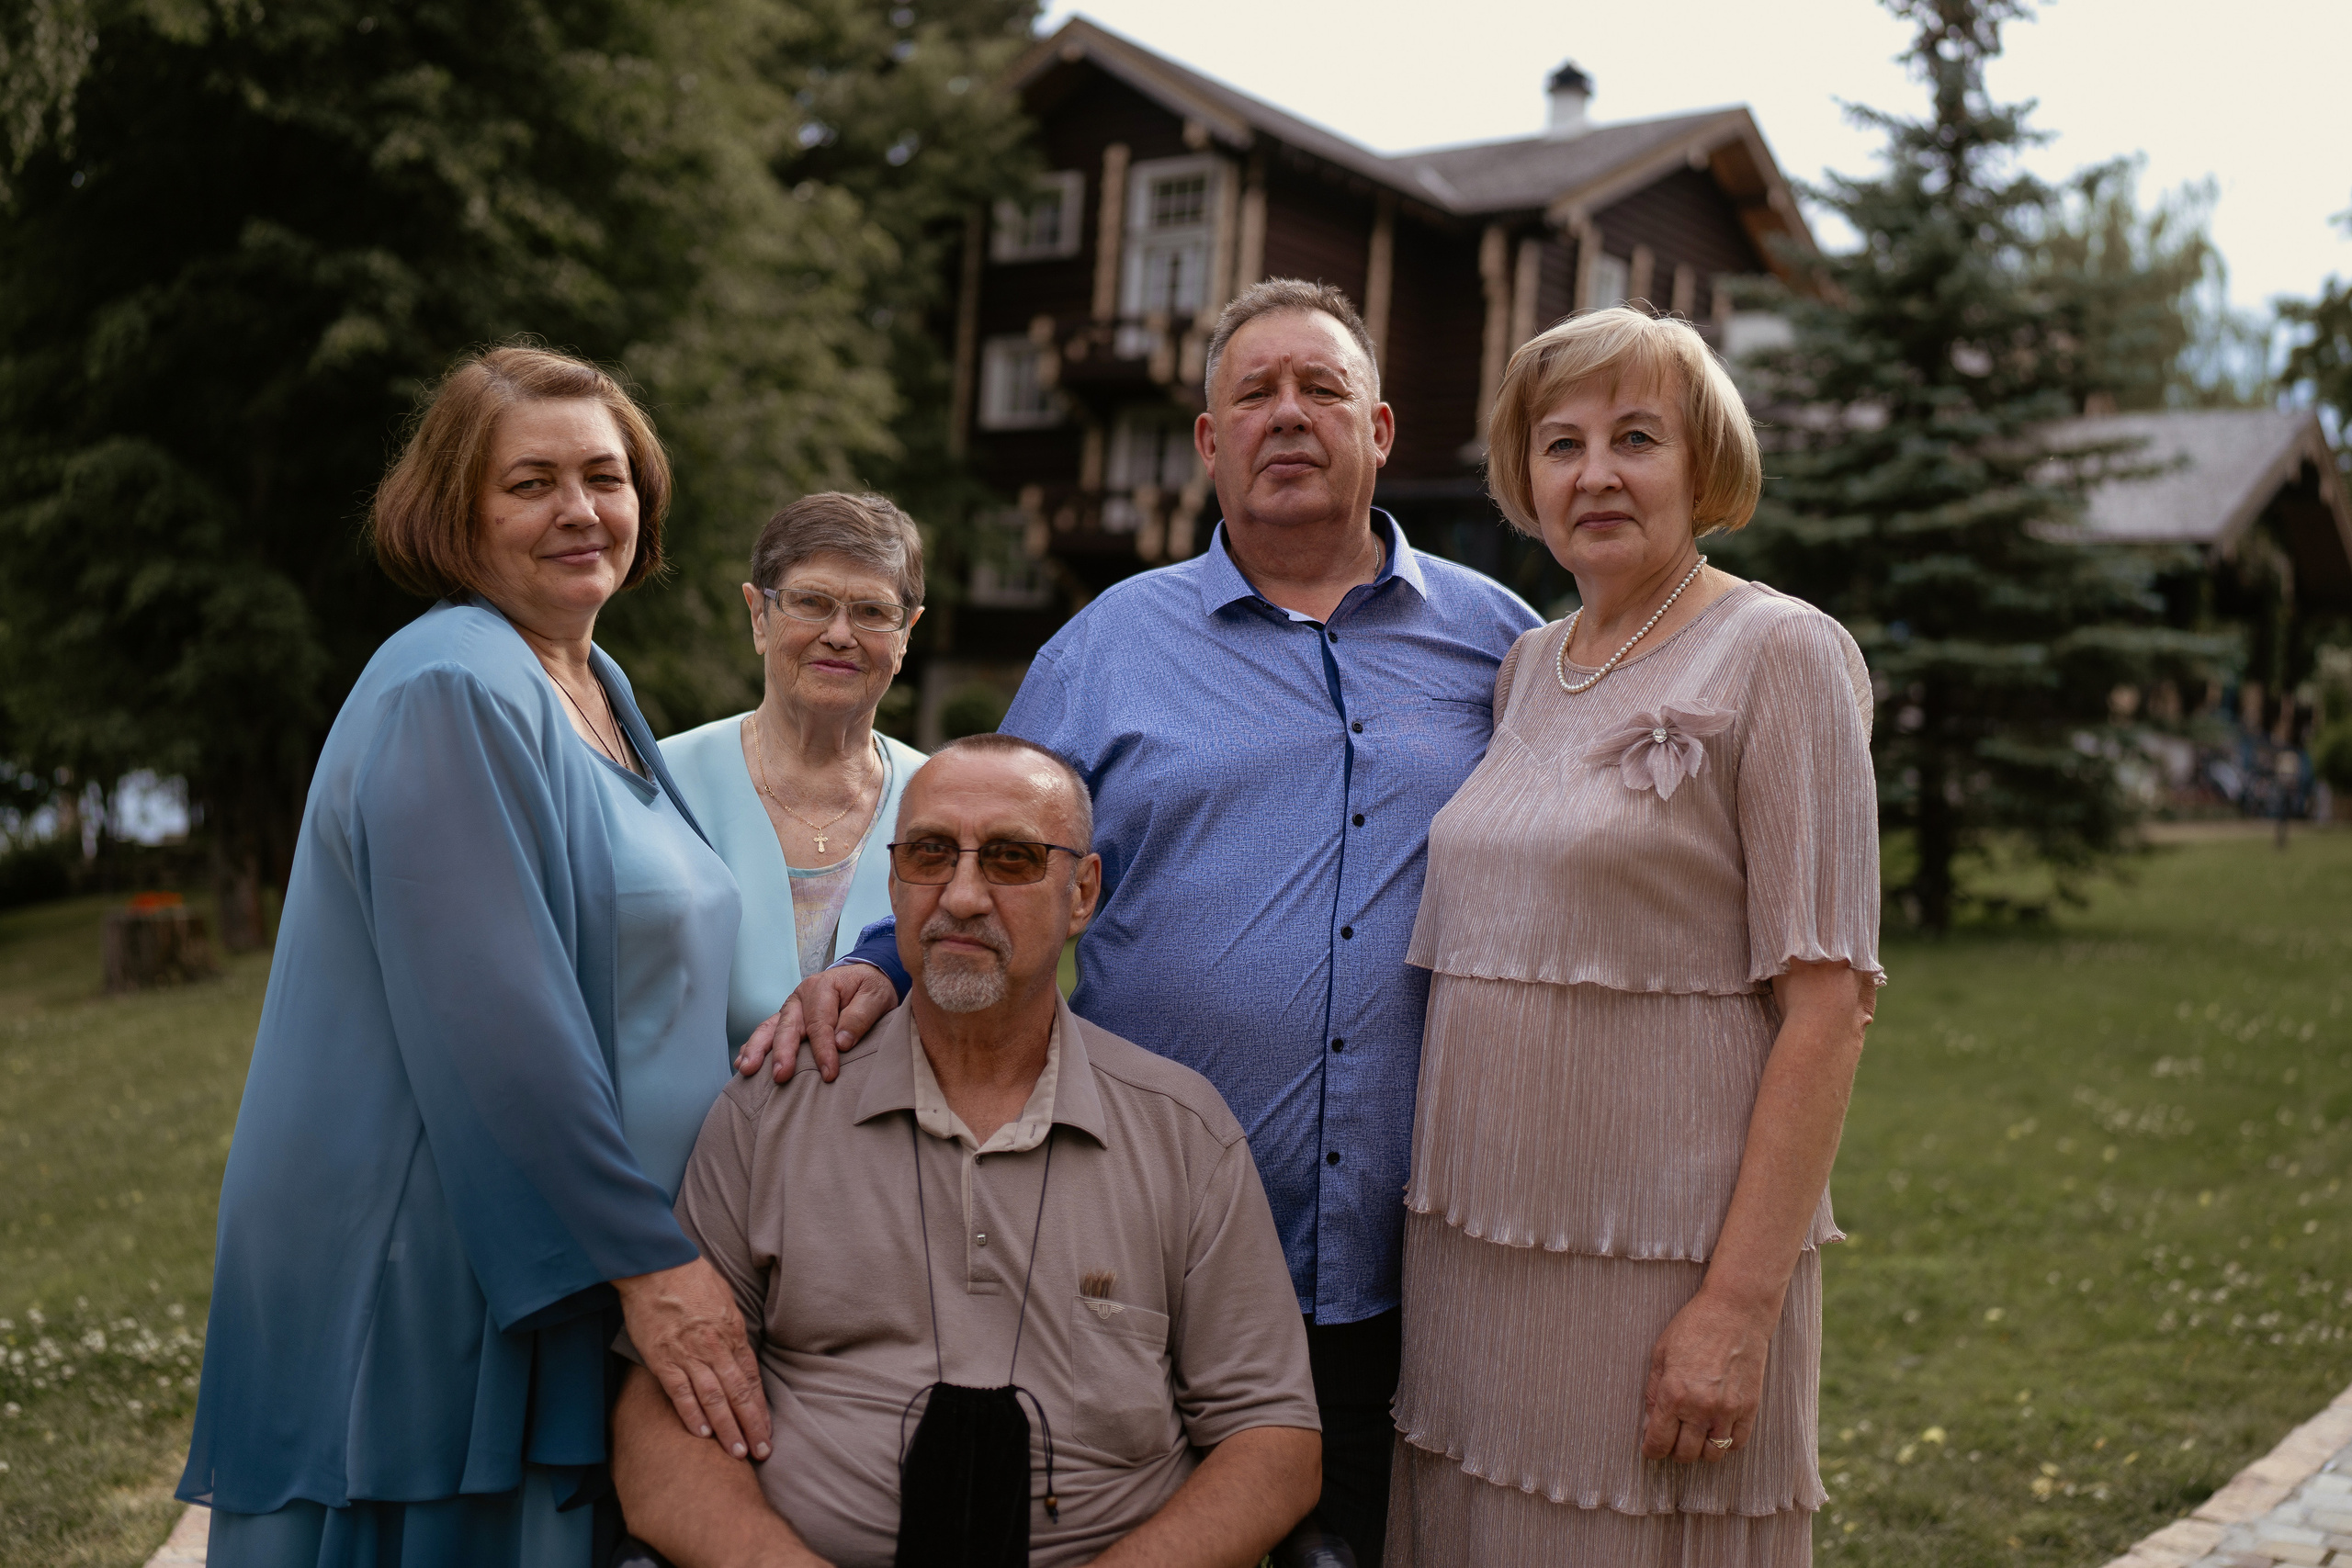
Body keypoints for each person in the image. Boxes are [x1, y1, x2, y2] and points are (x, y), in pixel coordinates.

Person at [742, 278, 1542, 1565]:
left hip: (1420, 1250)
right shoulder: (1107, 645)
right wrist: (881, 966)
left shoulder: (1501, 646)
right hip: (1140, 1253)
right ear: (1209, 441)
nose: (1289, 415)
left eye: (1322, 389)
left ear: (1380, 428)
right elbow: (991, 840)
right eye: (1255, 393)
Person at [180, 344, 772, 1568]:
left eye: (604, 477)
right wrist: (651, 1263)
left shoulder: (591, 680)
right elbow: (498, 1023)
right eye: (530, 483)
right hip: (441, 1258)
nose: (579, 510)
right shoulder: (451, 684)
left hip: (573, 1239)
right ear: (455, 512)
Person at [1385, 306, 1882, 1564]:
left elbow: (1829, 1009)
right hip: (1479, 1258)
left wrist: (1737, 1306)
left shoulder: (1781, 652)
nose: (1595, 473)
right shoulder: (1528, 665)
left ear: (1704, 463)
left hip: (1664, 1260)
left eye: (1636, 438)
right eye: (1562, 443)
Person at [610, 734, 1324, 1567]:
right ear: (894, 883)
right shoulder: (773, 1109)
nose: (962, 895)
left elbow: (1272, 1440)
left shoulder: (1183, 1133)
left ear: (1082, 892)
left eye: (1013, 858)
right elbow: (661, 1418)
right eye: (929, 854)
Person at [660, 493, 927, 1051]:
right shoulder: (657, 783)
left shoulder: (937, 801)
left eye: (872, 612)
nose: (840, 634)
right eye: (810, 603)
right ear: (759, 616)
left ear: (906, 636)